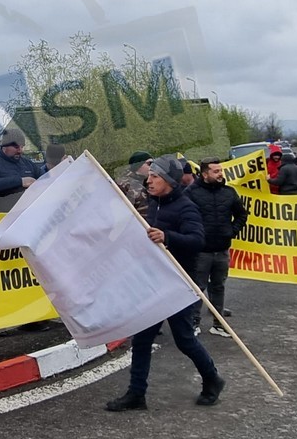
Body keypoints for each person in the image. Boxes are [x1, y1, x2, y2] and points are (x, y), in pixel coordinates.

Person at [105, 155, 225, 411]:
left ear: (169, 180)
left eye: (155, 176)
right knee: (142, 340)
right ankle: (136, 394)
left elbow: (197, 240)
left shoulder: (186, 207)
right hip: (154, 282)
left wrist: (167, 236)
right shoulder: (154, 203)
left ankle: (212, 379)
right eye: (149, 176)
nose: (149, 181)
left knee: (184, 340)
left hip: (178, 284)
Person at [187, 156, 248, 338]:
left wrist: (231, 231)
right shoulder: (191, 193)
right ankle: (193, 323)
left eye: (221, 170)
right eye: (216, 171)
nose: (220, 174)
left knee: (218, 287)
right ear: (205, 174)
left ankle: (219, 324)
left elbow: (242, 215)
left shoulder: (229, 192)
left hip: (222, 250)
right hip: (200, 252)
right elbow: (185, 217)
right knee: (198, 288)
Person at [0, 128, 45, 212]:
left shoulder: (28, 164)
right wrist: (20, 181)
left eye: (22, 147)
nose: (20, 151)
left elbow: (47, 179)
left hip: (24, 216)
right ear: (4, 146)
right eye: (16, 147)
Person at [116, 151, 153, 218]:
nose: (153, 167)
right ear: (138, 165)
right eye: (150, 163)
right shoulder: (125, 185)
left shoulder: (147, 183)